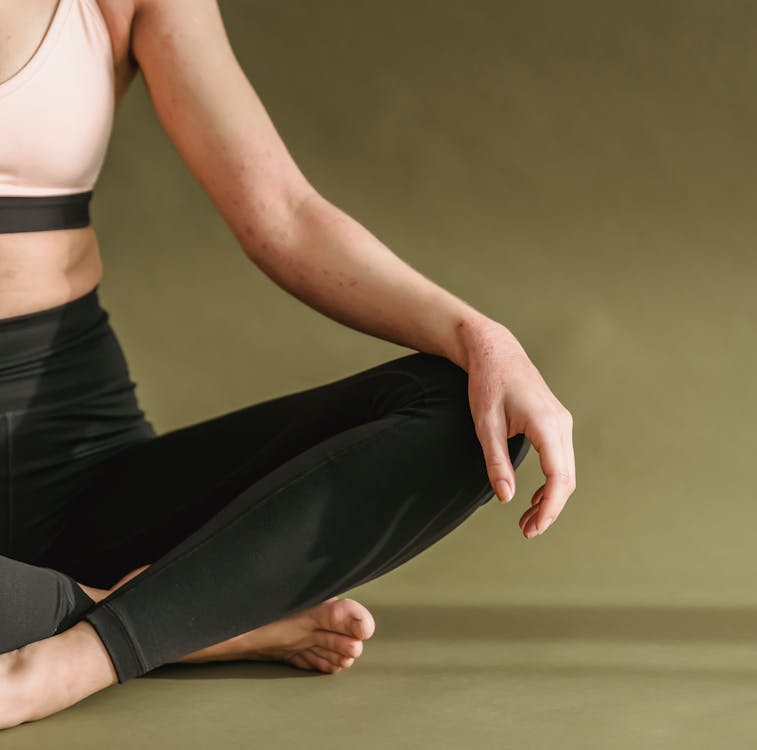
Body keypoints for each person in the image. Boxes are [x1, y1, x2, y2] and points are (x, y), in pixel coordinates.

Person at [0, 0, 576, 729]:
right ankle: (182, 619)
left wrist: (483, 340)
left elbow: (281, 212)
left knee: (467, 407)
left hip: (79, 456)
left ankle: (72, 656)